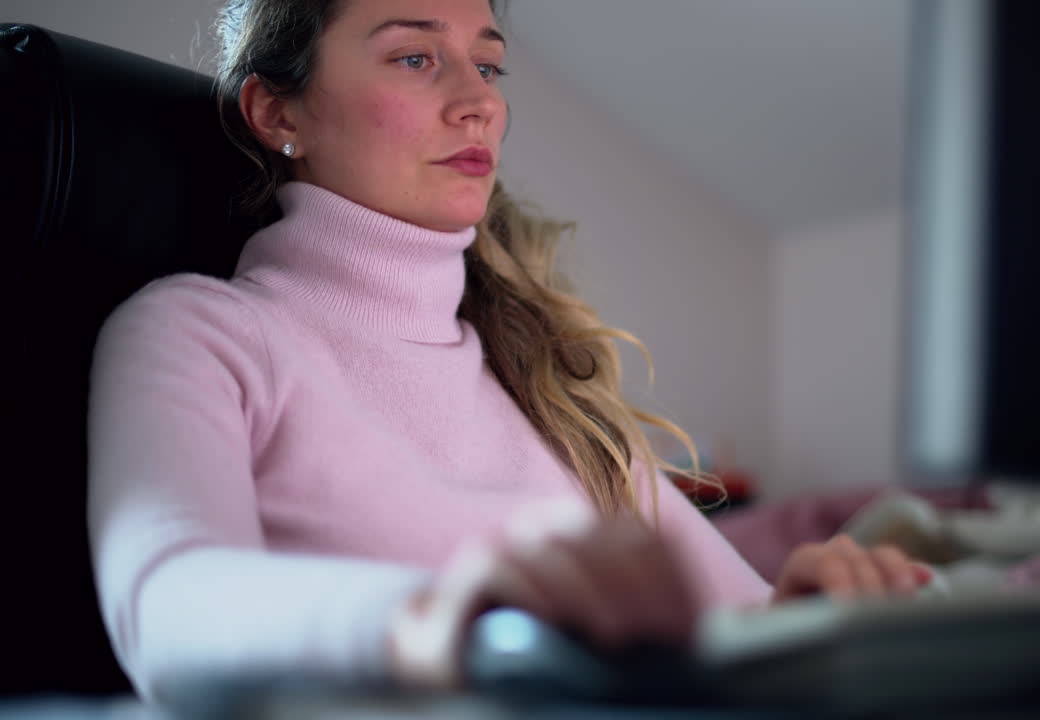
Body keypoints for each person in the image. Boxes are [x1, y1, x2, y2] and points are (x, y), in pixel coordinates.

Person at [87, 0, 928, 703]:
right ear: (277, 112)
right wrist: (443, 619)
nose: (477, 102)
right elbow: (167, 603)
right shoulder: (198, 333)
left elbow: (737, 622)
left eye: (486, 67)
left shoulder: (551, 390)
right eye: (416, 59)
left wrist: (813, 617)